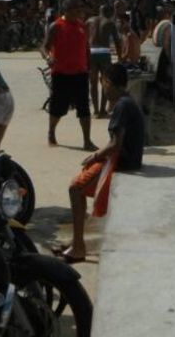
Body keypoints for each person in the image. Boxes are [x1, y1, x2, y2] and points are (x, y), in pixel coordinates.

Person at [60, 63, 145, 263]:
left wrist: (95, 155)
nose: (102, 89)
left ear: (108, 82)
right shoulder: (126, 101)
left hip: (123, 162)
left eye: (103, 84)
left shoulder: (122, 106)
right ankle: (76, 241)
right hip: (128, 158)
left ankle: (79, 247)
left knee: (75, 188)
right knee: (83, 176)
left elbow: (115, 145)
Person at [41, 0, 97, 149]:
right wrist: (48, 57)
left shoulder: (82, 26)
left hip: (80, 73)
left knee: (84, 108)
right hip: (61, 73)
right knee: (58, 108)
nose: (79, 11)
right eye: (76, 8)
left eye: (80, 8)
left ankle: (87, 140)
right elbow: (45, 46)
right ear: (67, 9)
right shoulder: (56, 26)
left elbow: (86, 48)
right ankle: (51, 132)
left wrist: (89, 66)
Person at [86, 4, 123, 117]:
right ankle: (102, 110)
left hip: (91, 51)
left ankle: (96, 110)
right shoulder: (109, 22)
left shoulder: (89, 21)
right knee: (105, 82)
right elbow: (117, 41)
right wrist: (120, 57)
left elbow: (83, 38)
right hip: (104, 52)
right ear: (109, 13)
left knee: (93, 82)